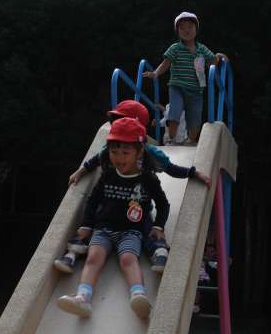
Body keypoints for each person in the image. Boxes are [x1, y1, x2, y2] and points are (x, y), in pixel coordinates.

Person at [54, 99, 210, 274]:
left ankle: (158, 250)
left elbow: (171, 170)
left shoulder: (149, 156)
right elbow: (95, 161)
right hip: (112, 202)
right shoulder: (110, 151)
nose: (116, 126)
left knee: (145, 226)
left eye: (121, 121)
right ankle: (74, 251)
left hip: (136, 206)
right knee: (95, 219)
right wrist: (80, 172)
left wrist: (193, 173)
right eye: (115, 122)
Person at [57, 117, 170, 321]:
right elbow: (93, 200)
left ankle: (138, 296)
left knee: (128, 259)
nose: (119, 157)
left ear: (139, 152)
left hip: (131, 231)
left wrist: (158, 226)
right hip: (103, 229)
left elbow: (163, 204)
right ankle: (82, 298)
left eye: (125, 153)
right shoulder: (108, 174)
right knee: (93, 258)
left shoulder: (147, 178)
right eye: (114, 152)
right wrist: (86, 225)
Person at [143, 11, 228, 144]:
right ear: (178, 31)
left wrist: (219, 56)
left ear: (196, 29)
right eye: (182, 28)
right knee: (174, 112)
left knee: (195, 120)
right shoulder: (175, 48)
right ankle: (171, 139)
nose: (186, 30)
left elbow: (212, 62)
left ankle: (190, 140)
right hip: (177, 87)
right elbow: (166, 63)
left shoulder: (202, 49)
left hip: (196, 90)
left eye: (190, 27)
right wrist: (155, 73)